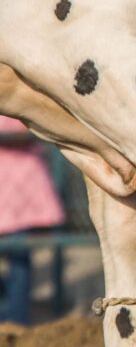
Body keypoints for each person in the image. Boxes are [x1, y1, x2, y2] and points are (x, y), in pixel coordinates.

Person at [0, 116, 64, 324]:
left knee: (19, 261)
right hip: (14, 189)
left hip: (21, 193)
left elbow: (31, 130)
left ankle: (16, 324)